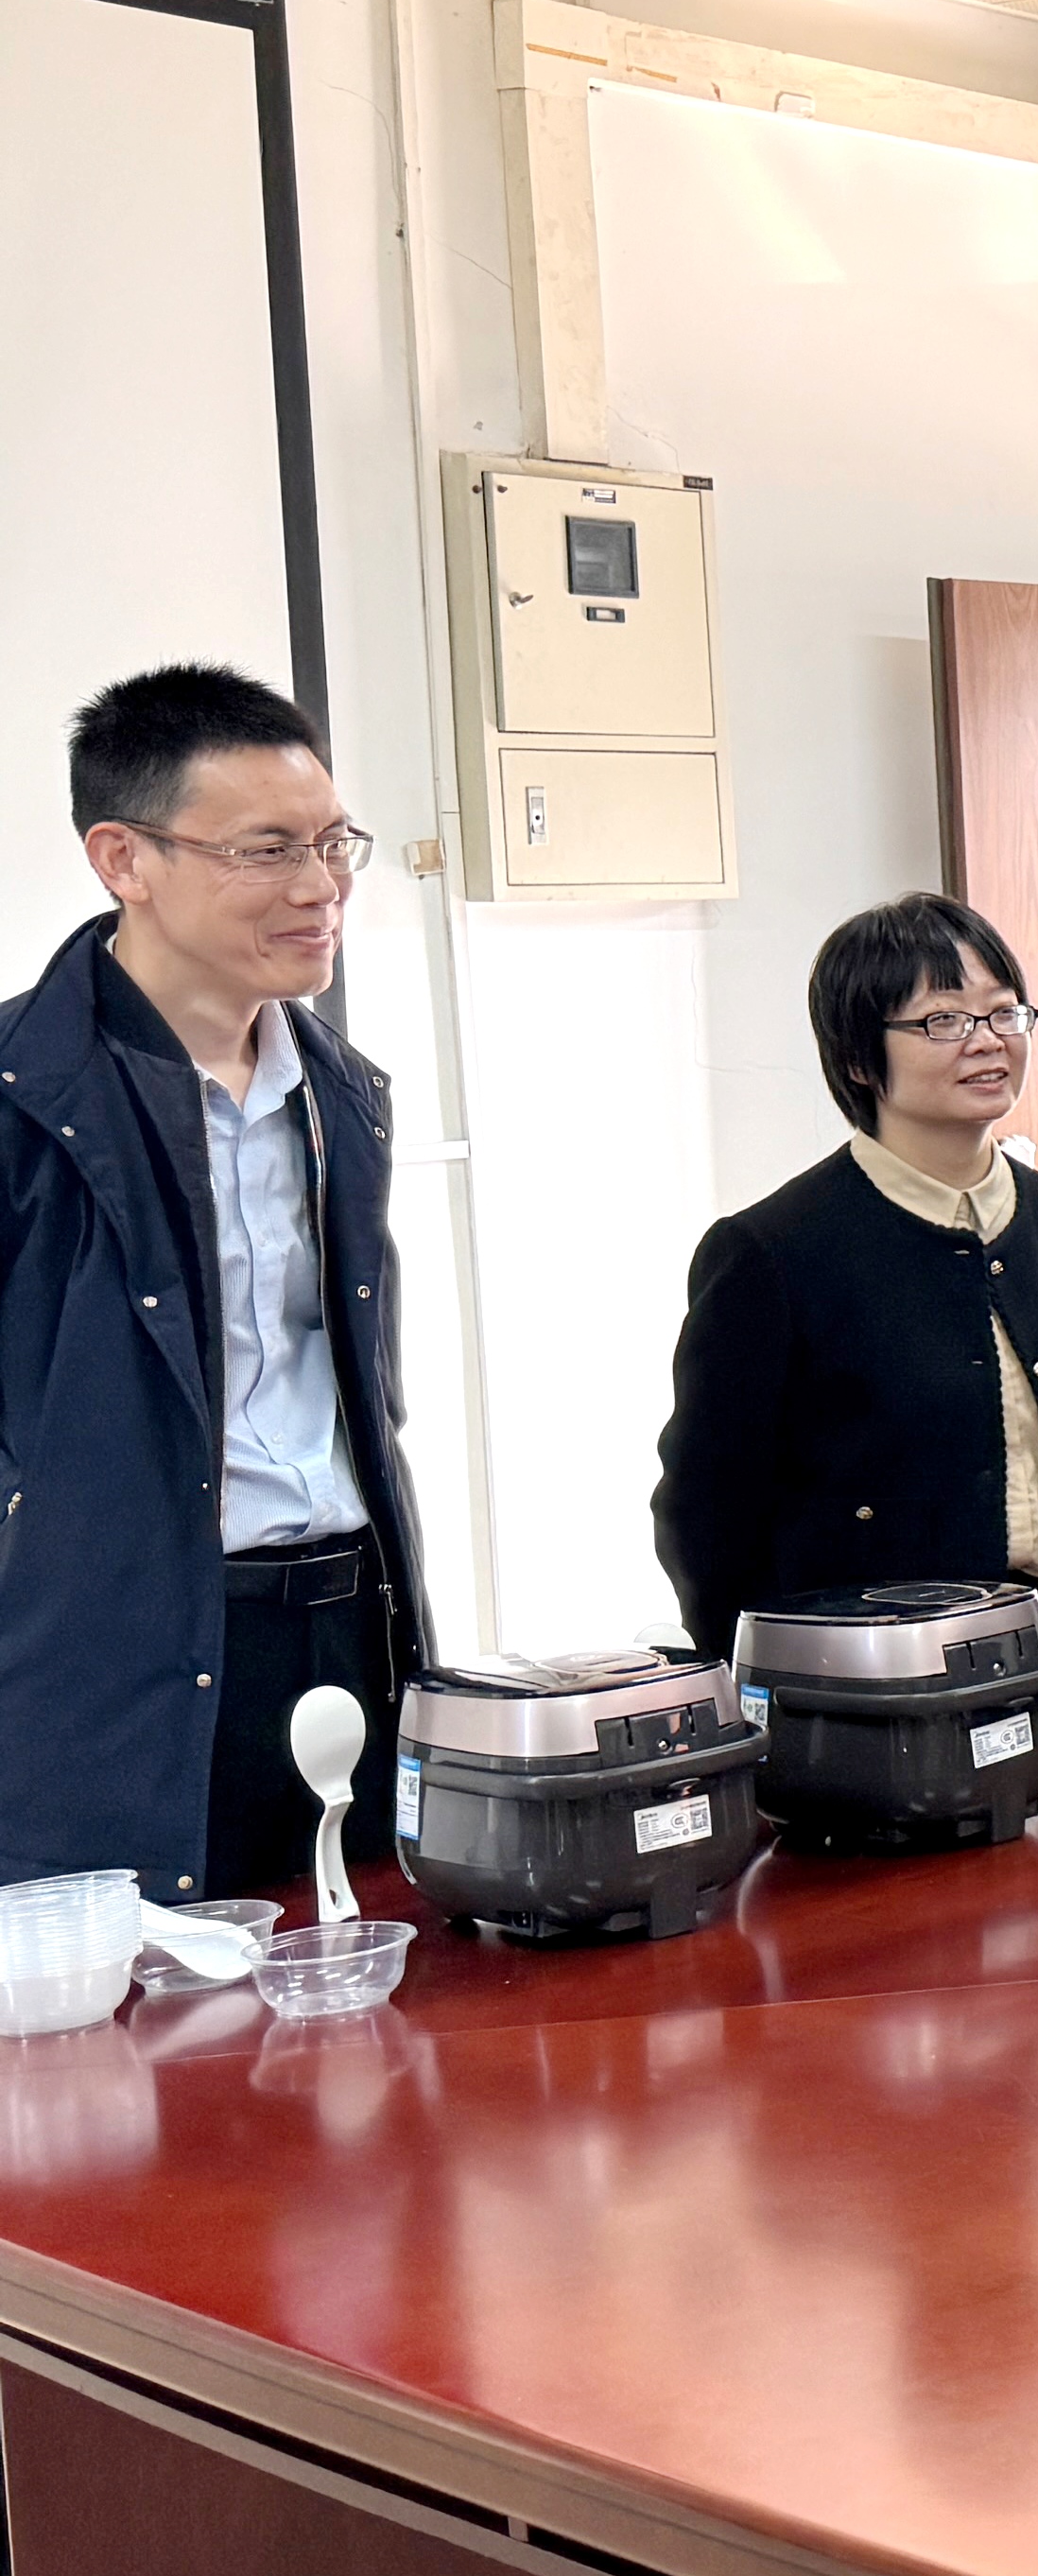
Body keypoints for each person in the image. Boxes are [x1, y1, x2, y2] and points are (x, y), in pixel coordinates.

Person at [0, 667, 424, 1900]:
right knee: (157, 2001)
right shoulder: (27, 1101)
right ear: (122, 859)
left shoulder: (338, 1092)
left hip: (344, 1618)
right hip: (116, 1655)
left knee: (371, 1969)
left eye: (334, 841)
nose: (321, 885)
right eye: (267, 849)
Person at [655, 896, 1038, 1660]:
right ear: (860, 1060)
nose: (987, 1041)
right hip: (857, 1672)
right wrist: (762, 1680)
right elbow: (704, 1512)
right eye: (943, 1021)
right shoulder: (770, 1253)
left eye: (1004, 1013)